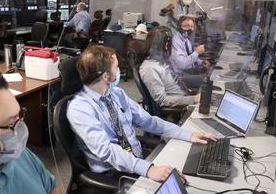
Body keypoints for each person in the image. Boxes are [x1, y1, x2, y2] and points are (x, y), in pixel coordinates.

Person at [67, 45, 217, 182]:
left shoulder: (116, 94)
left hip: (138, 158)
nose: (119, 71)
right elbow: (107, 150)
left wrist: (187, 134)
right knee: (181, 184)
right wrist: (148, 169)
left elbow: (147, 121)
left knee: (189, 166)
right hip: (114, 172)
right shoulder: (79, 108)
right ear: (106, 76)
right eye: (117, 68)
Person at [139, 27, 200, 108]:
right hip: (179, 106)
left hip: (185, 95)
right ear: (166, 45)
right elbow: (162, 100)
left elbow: (178, 78)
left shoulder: (162, 60)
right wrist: (193, 99)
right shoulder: (149, 68)